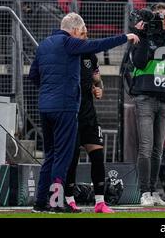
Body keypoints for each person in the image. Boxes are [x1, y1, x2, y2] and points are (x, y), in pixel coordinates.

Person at [29, 13, 139, 213]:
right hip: (65, 107)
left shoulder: (44, 45)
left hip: (45, 107)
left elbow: (33, 75)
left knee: (50, 155)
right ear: (74, 30)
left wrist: (49, 90)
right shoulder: (68, 42)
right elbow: (97, 45)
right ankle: (56, 202)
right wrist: (125, 37)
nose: (83, 37)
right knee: (62, 157)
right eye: (82, 32)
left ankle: (39, 203)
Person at [63, 28, 114, 214]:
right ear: (74, 35)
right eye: (83, 34)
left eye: (87, 34)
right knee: (72, 158)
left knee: (98, 156)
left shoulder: (90, 56)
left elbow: (97, 80)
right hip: (71, 115)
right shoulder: (66, 54)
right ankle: (69, 199)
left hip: (89, 115)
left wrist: (99, 89)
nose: (86, 37)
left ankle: (100, 202)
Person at [127, 3, 165, 207]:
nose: (164, 20)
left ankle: (154, 191)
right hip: (145, 98)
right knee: (146, 147)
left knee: (158, 150)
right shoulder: (141, 37)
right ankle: (144, 191)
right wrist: (144, 34)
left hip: (164, 99)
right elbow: (138, 63)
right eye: (160, 16)